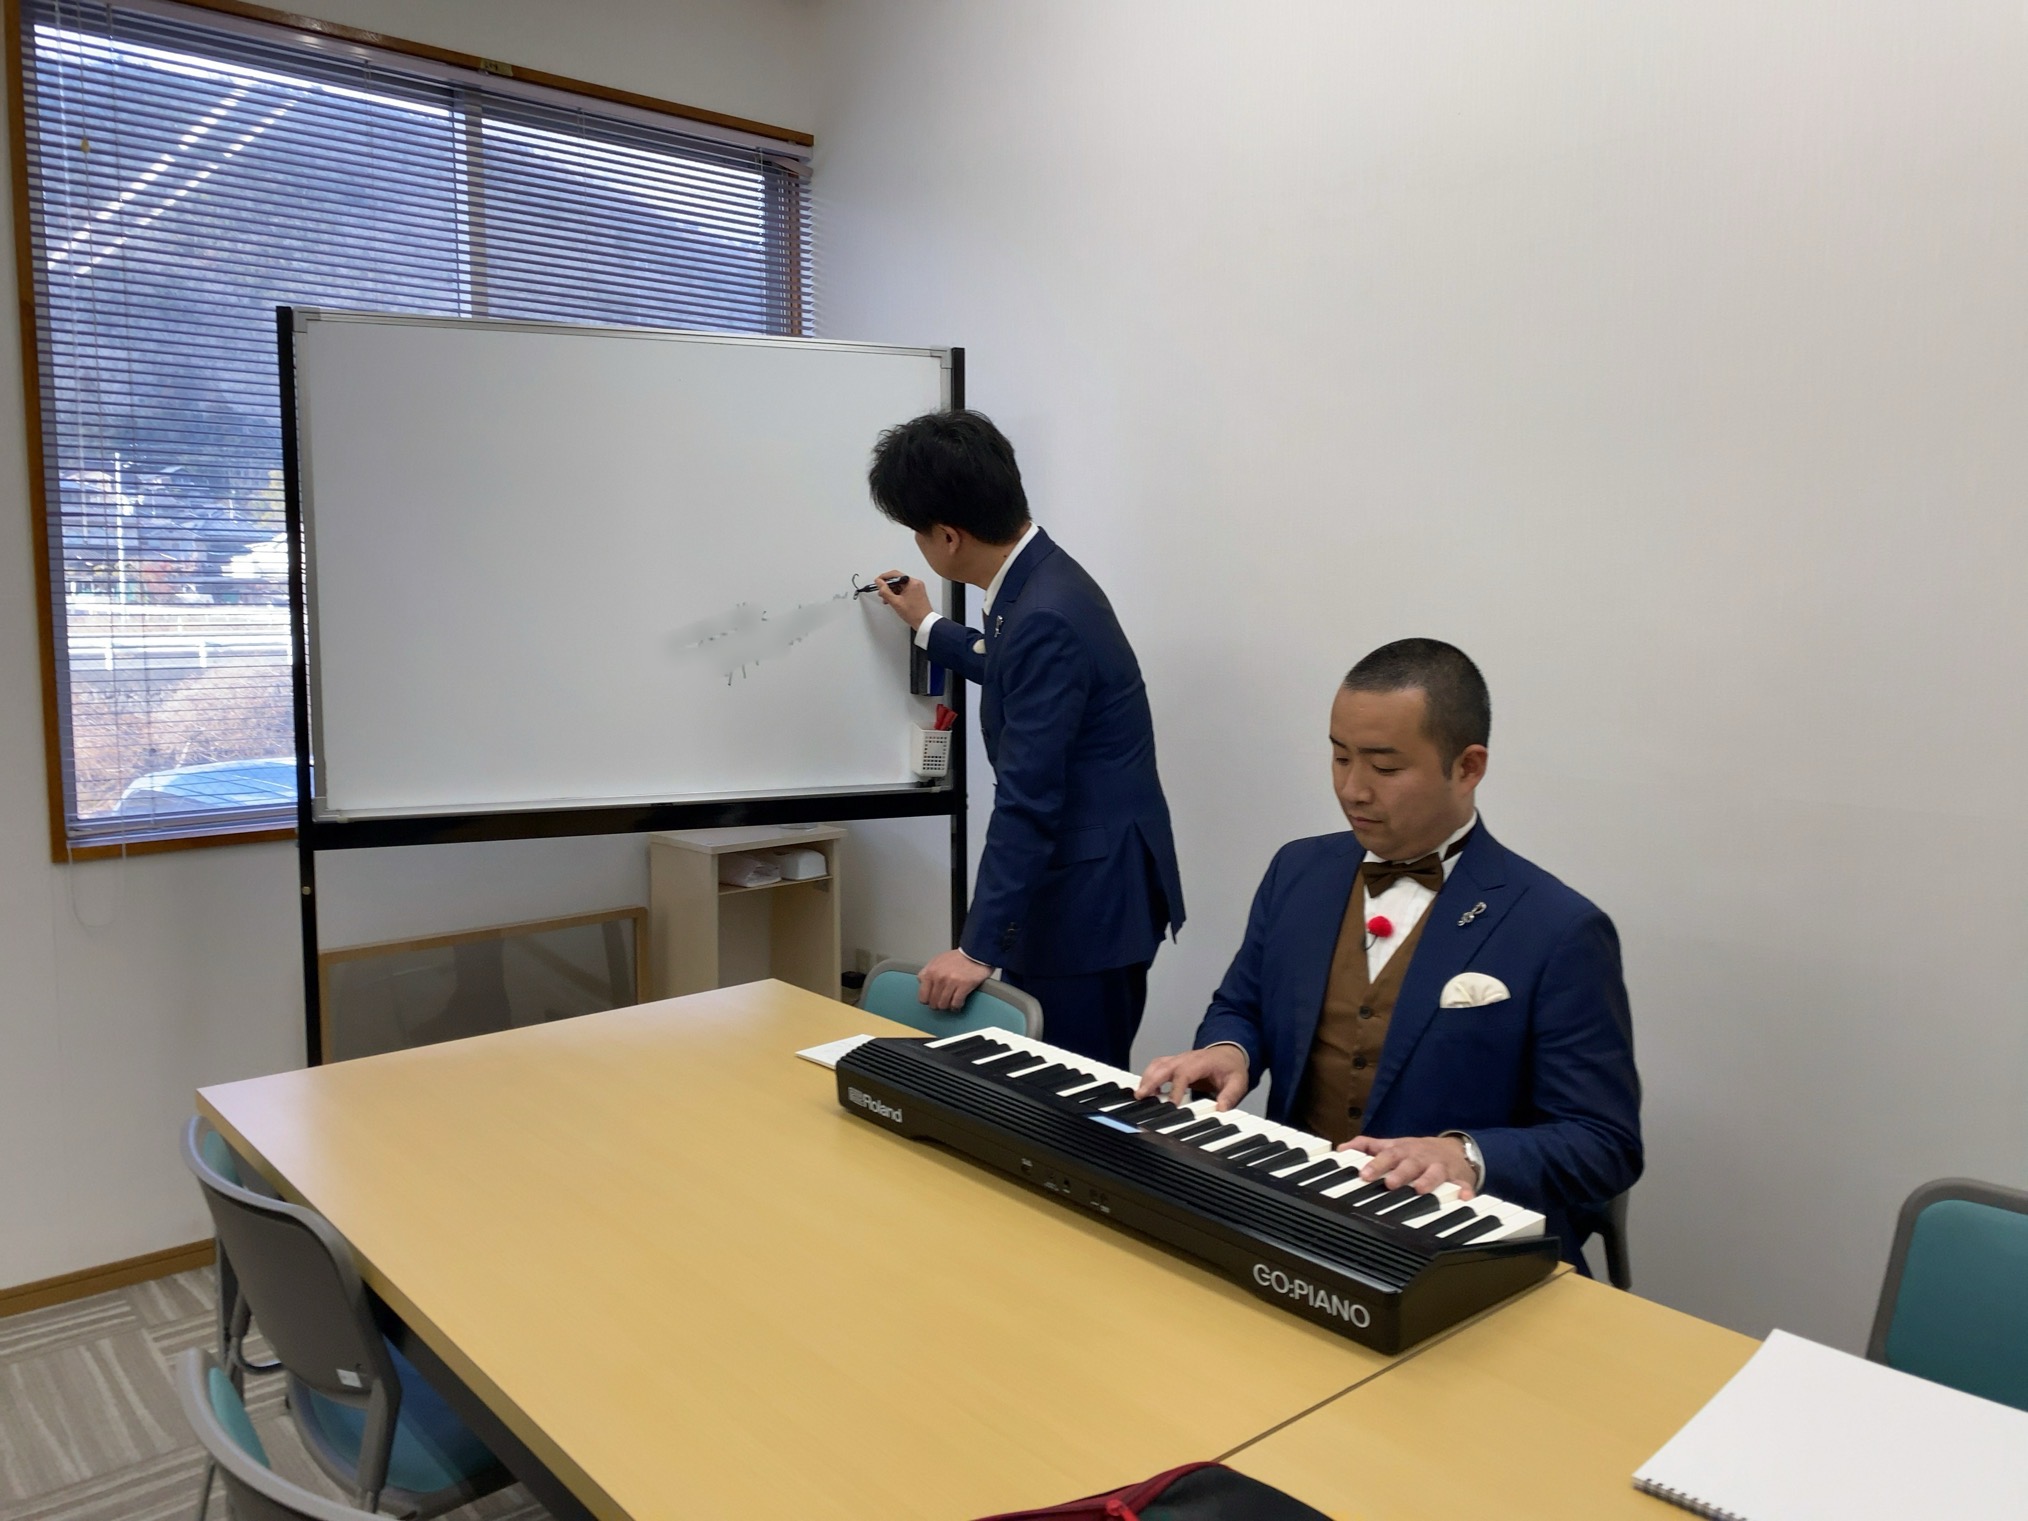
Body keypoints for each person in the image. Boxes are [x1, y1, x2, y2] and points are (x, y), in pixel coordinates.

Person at [1135, 639, 1639, 1264]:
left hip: (1457, 1248)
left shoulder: (1559, 929)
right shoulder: (1298, 871)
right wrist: (1229, 1049)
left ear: (1468, 767)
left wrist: (1466, 1154)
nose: (1352, 789)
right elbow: (1244, 1004)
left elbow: (1604, 1143)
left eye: (1385, 768)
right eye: (1339, 757)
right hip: (1293, 1214)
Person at [867, 410, 1184, 1066]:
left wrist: (976, 946)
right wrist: (926, 623)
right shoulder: (1037, 578)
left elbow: (1028, 797)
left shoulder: (1045, 613)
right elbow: (1004, 662)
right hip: (1084, 880)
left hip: (1090, 904)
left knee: (1069, 1098)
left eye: (916, 531)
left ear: (947, 537)